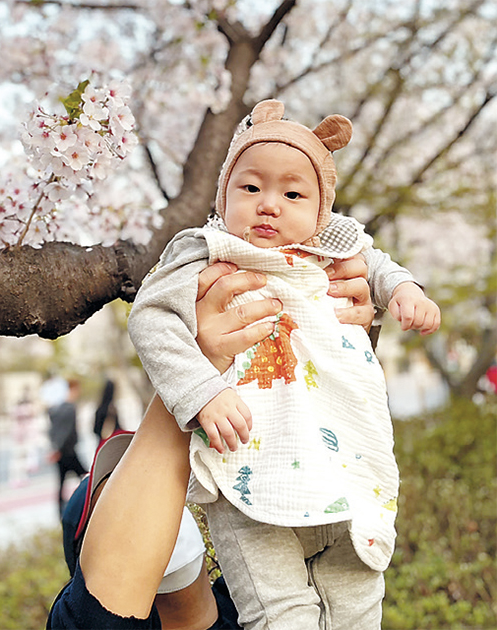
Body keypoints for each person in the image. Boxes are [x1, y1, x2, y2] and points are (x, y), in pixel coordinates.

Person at [128, 100, 441, 628]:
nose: (269, 205)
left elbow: (378, 263)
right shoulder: (208, 251)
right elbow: (152, 316)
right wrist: (201, 388)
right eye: (250, 188)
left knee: (357, 596)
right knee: (280, 613)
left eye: (293, 193)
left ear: (321, 211)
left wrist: (405, 289)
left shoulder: (334, 246)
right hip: (250, 459)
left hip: (337, 457)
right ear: (223, 193)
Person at [48, 258, 375, 629]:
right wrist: (198, 364)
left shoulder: (259, 596)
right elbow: (103, 605)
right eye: (113, 494)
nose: (161, 502)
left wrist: (341, 331)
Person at [48, 378, 88, 517]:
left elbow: (53, 430)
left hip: (62, 451)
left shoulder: (55, 409)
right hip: (68, 451)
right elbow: (66, 431)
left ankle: (60, 512)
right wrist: (58, 448)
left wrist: (54, 448)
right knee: (86, 478)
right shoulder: (70, 408)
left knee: (62, 483)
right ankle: (88, 505)